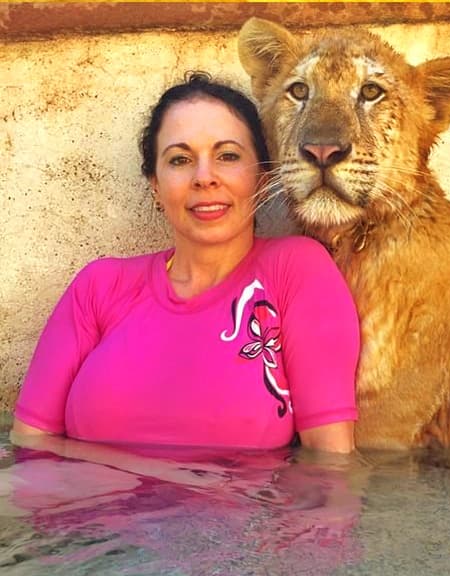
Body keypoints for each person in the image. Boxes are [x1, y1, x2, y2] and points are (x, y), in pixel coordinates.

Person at [11, 71, 359, 454]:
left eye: (227, 156)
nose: (204, 178)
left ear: (261, 178)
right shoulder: (99, 286)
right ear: (156, 186)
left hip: (242, 514)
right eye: (180, 160)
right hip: (85, 512)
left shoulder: (295, 271)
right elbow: (29, 445)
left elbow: (330, 464)